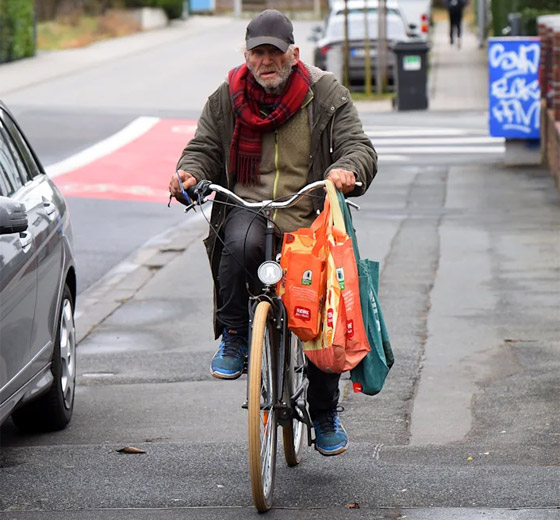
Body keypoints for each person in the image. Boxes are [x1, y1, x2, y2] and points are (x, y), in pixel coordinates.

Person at [169, 9, 377, 457]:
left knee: (319, 310)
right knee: (236, 242)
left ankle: (324, 414)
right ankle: (235, 335)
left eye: (275, 53)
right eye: (258, 53)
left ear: (293, 54)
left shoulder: (325, 93)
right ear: (246, 55)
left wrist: (346, 169)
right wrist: (188, 173)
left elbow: (358, 145)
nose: (266, 61)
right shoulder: (227, 97)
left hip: (307, 215)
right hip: (249, 208)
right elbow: (203, 147)